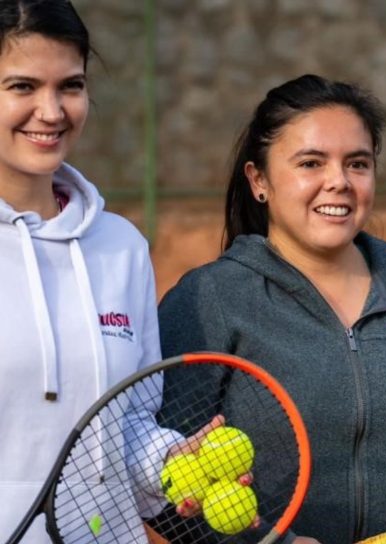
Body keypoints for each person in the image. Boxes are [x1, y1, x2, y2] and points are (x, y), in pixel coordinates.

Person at [158, 74, 386, 544]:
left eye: (357, 164)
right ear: (259, 180)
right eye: (311, 162)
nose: (338, 182)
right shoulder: (209, 300)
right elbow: (162, 483)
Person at [0, 1, 166, 542]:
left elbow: (132, 426)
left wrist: (173, 458)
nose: (50, 112)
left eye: (69, 86)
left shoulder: (121, 247)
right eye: (22, 87)